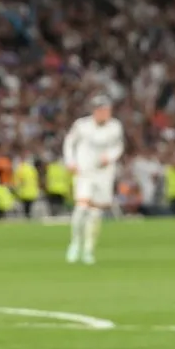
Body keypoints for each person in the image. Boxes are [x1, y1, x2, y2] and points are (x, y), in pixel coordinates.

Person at [62, 95, 124, 265]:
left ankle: (89, 249)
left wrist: (110, 157)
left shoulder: (115, 127)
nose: (105, 113)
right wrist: (70, 161)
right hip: (85, 172)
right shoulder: (82, 126)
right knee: (81, 207)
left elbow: (118, 147)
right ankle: (75, 242)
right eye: (101, 110)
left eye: (107, 110)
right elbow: (69, 142)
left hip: (104, 175)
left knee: (95, 213)